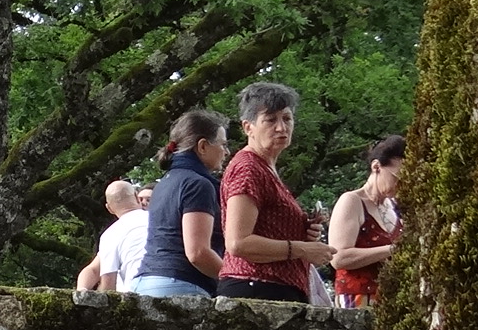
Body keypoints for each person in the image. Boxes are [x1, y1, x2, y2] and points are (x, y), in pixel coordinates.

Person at [217, 81, 334, 303]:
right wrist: (302, 249)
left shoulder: (266, 168)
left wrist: (303, 232)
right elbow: (238, 243)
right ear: (247, 127)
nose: (281, 127)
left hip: (273, 290)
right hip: (256, 291)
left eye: (287, 118)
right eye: (270, 120)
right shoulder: (248, 168)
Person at [131, 110, 230, 298]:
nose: (226, 152)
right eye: (223, 144)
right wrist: (233, 279)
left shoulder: (163, 183)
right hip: (181, 285)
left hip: (143, 284)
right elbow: (198, 253)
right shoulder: (198, 184)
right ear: (202, 146)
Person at [329, 134, 406, 308]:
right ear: (376, 167)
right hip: (357, 300)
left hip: (392, 300)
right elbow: (338, 257)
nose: (402, 185)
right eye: (397, 178)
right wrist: (392, 250)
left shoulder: (395, 206)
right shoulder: (352, 201)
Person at [78, 180, 150, 294]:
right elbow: (93, 269)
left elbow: (108, 284)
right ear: (137, 197)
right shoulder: (161, 219)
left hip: (137, 292)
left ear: (109, 208)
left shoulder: (112, 233)